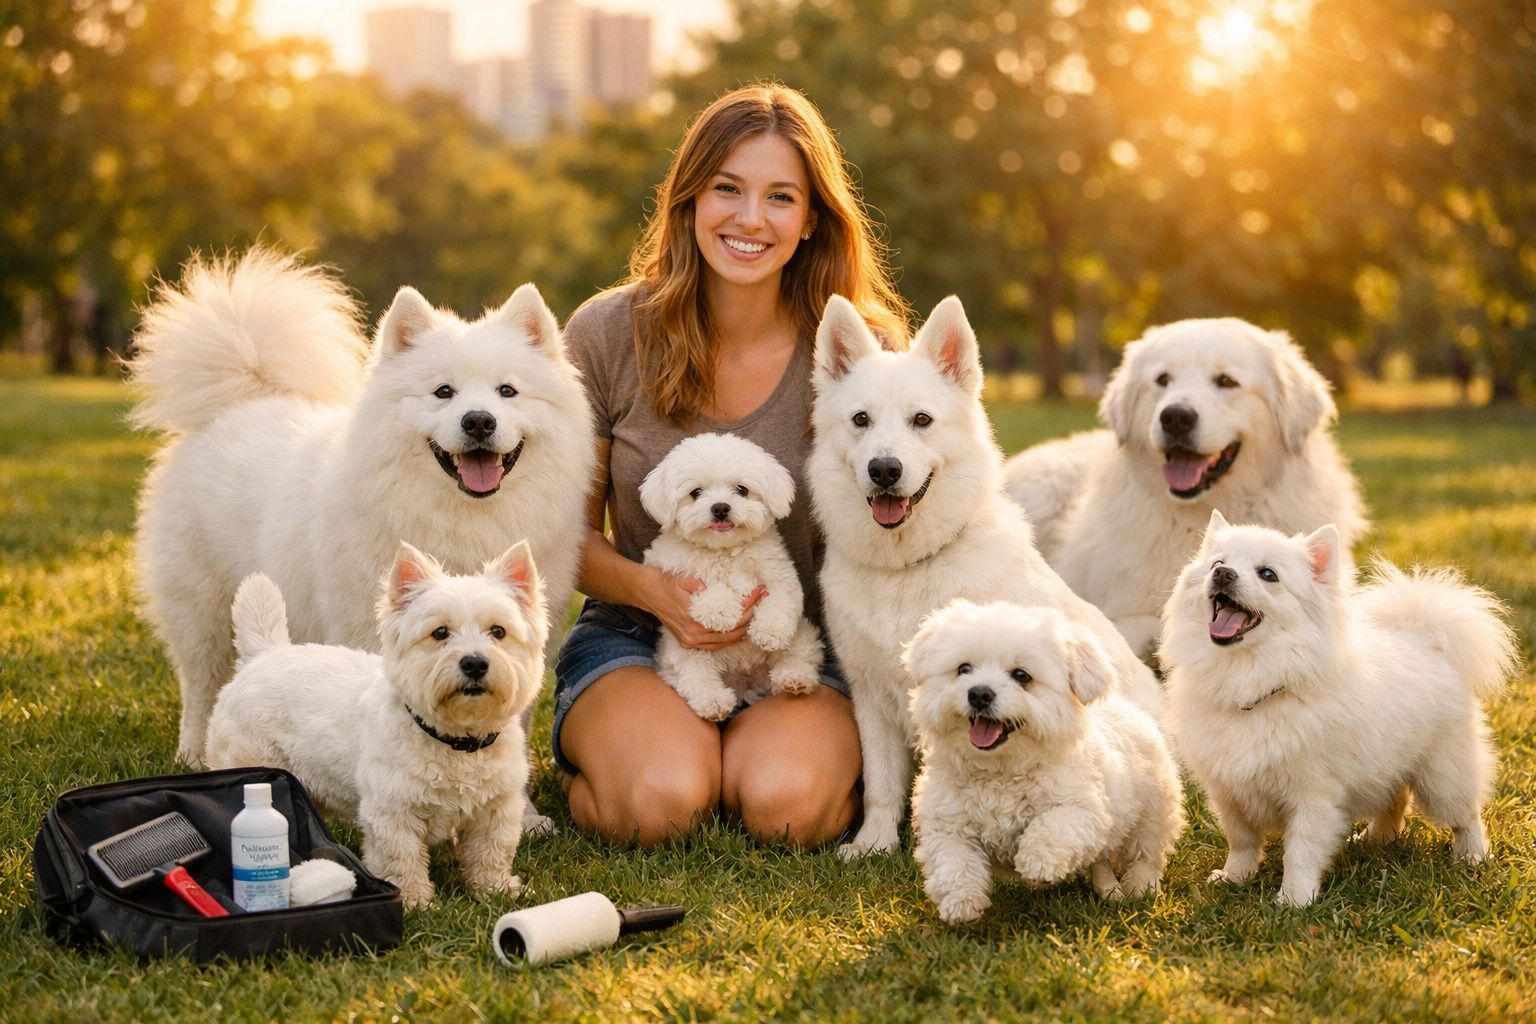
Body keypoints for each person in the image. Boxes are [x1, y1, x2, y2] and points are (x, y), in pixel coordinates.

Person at [553, 83, 911, 848]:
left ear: (812, 217)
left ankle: (760, 757)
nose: (751, 219)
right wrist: (658, 594)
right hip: (640, 634)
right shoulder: (607, 333)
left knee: (785, 811)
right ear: (689, 199)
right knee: (658, 806)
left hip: (803, 641)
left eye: (780, 197)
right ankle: (627, 759)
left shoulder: (857, 346)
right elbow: (563, 536)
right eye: (727, 189)